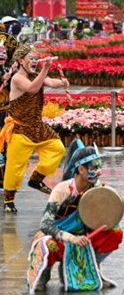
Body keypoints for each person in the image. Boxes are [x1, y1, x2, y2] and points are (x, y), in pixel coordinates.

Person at [27, 139, 123, 292]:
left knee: (115, 232)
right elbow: (45, 224)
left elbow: (103, 217)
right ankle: (44, 273)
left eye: (99, 167)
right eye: (93, 167)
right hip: (60, 236)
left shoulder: (96, 189)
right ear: (81, 169)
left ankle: (94, 268)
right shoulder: (62, 190)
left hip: (84, 237)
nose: (98, 172)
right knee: (46, 244)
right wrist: (71, 238)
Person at [1, 43, 68, 213]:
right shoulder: (17, 78)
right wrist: (46, 68)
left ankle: (36, 179)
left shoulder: (36, 75)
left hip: (37, 127)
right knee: (15, 167)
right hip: (20, 129)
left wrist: (61, 82)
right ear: (20, 60)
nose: (34, 61)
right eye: (31, 58)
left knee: (58, 148)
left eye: (36, 58)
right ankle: (9, 199)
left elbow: (49, 81)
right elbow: (32, 89)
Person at [0, 33, 18, 184]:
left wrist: (11, 77)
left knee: (6, 140)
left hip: (6, 111)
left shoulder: (9, 70)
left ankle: (4, 176)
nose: (1, 55)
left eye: (4, 53)